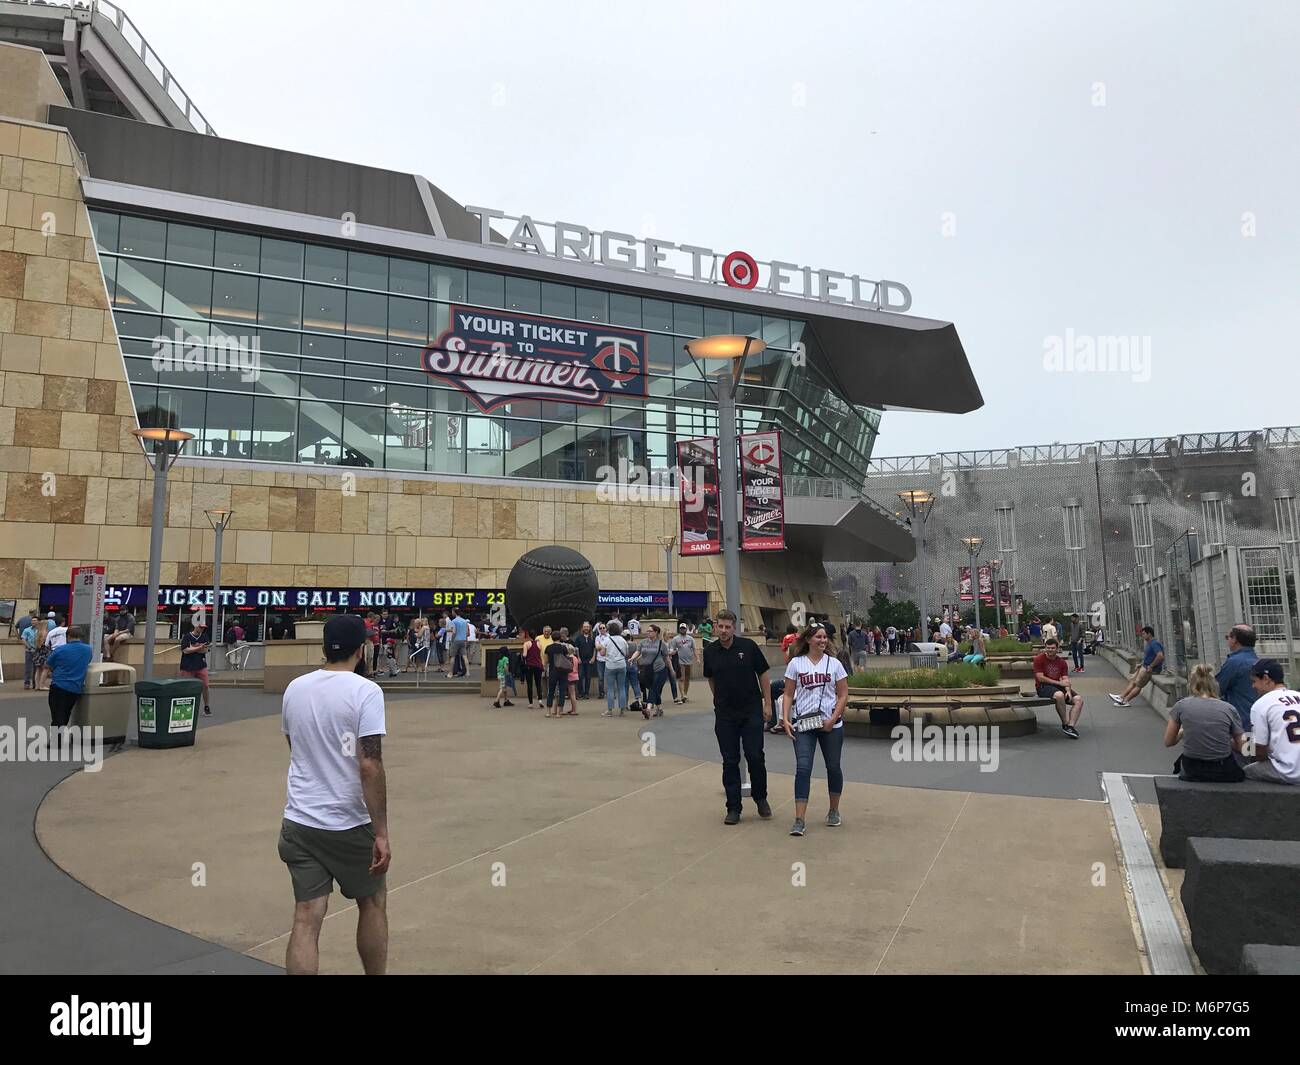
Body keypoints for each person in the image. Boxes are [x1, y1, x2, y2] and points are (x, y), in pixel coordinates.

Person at [278, 614, 389, 975]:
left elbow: (294, 746)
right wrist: (382, 832)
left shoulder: (295, 688)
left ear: (325, 647)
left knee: (306, 917)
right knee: (372, 902)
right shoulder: (365, 691)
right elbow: (369, 764)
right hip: (347, 822)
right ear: (362, 648)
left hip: (299, 819)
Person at [702, 609, 773, 825]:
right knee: (730, 760)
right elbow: (711, 678)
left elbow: (763, 674)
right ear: (715, 627)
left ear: (734, 628)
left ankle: (760, 798)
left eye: (727, 627)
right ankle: (733, 808)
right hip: (725, 715)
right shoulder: (710, 651)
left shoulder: (748, 647)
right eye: (720, 626)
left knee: (754, 756)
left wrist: (767, 703)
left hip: (750, 710)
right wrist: (718, 700)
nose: (723, 631)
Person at [781, 623, 849, 836]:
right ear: (808, 640)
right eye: (818, 637)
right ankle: (799, 819)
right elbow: (789, 694)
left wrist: (833, 718)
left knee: (833, 767)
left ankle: (834, 810)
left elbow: (843, 694)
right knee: (803, 768)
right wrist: (785, 718)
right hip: (804, 724)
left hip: (830, 724)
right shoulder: (796, 664)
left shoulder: (835, 664)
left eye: (824, 637)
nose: (822, 640)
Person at [1164, 664, 1246, 782]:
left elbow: (1168, 742)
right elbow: (1244, 748)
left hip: (1192, 768)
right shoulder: (1229, 709)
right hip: (1222, 768)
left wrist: (1182, 732)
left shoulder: (1181, 706)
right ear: (1214, 684)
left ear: (1191, 684)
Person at [1245, 660, 1300, 785]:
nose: (1253, 686)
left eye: (1254, 681)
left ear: (1266, 678)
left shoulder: (1261, 704)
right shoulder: (1298, 695)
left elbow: (1259, 750)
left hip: (1289, 771)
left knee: (1246, 771)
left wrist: (1238, 744)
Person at [1033, 637, 1084, 738]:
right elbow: (1040, 678)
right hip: (1043, 687)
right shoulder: (1039, 659)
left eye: (1052, 648)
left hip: (1057, 686)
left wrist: (1068, 691)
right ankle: (1065, 724)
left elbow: (1065, 680)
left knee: (1078, 699)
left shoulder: (1061, 662)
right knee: (1059, 695)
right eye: (1048, 648)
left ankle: (1071, 726)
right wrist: (1059, 683)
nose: (1050, 650)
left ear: (1057, 649)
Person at [46, 625, 93, 732]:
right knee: (65, 712)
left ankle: (56, 738)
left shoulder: (60, 650)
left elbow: (48, 665)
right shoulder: (88, 650)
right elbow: (87, 662)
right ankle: (59, 735)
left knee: (56, 713)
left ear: (68, 636)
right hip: (75, 687)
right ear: (80, 636)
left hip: (58, 685)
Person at [1215, 624, 1260, 731]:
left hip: (1242, 722)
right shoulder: (1258, 661)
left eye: (1227, 637)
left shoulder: (1234, 663)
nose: (1227, 640)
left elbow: (1216, 689)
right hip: (1258, 720)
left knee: (1245, 747)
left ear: (1234, 639)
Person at [1110, 625, 1164, 707]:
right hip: (1144, 667)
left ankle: (1125, 701)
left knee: (1138, 685)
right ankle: (1121, 697)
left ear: (1149, 634)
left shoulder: (1154, 643)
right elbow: (1149, 657)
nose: (1142, 636)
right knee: (1133, 682)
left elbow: (1160, 656)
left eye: (1144, 634)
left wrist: (1151, 666)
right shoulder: (1149, 644)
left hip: (1149, 669)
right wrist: (1141, 664)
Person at [637, 624, 673, 719]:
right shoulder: (643, 642)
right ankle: (659, 709)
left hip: (660, 670)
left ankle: (648, 709)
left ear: (656, 632)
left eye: (650, 631)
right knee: (655, 690)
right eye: (647, 631)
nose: (648, 633)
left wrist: (672, 670)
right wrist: (633, 658)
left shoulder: (662, 644)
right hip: (648, 670)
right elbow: (639, 652)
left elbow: (667, 658)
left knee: (653, 688)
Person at [181, 616, 213, 718]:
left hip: (201, 665)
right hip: (187, 666)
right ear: (195, 626)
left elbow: (206, 650)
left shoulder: (205, 636)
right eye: (200, 627)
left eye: (203, 627)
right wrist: (199, 647)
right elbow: (185, 650)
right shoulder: (187, 637)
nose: (202, 629)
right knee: (186, 687)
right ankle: (185, 707)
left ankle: (206, 707)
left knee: (206, 686)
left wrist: (193, 648)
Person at [602, 620, 633, 717]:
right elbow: (627, 653)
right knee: (621, 688)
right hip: (621, 665)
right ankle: (622, 710)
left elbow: (602, 653)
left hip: (610, 665)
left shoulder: (607, 640)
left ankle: (610, 710)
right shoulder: (623, 640)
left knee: (611, 688)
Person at [544, 627, 577, 718]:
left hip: (552, 671)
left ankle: (548, 712)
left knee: (551, 691)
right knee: (562, 691)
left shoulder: (548, 648)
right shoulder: (563, 647)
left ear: (552, 637)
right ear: (560, 638)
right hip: (562, 671)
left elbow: (546, 660)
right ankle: (559, 712)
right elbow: (567, 657)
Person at [520, 628, 545, 708]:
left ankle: (530, 703)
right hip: (538, 665)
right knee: (538, 683)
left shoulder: (526, 644)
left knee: (529, 684)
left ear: (529, 635)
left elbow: (524, 655)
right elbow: (540, 654)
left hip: (529, 665)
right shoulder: (539, 644)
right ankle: (540, 700)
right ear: (536, 635)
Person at [670, 623, 695, 700]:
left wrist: (697, 658)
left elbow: (694, 649)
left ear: (686, 629)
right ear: (679, 629)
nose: (682, 630)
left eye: (684, 628)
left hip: (689, 661)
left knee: (687, 678)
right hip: (680, 661)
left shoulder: (690, 638)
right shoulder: (675, 639)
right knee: (681, 678)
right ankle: (682, 694)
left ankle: (685, 693)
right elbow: (672, 649)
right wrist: (671, 653)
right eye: (681, 628)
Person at [575, 622, 596, 699]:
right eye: (585, 627)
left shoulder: (592, 638)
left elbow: (594, 648)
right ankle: (581, 693)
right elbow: (576, 648)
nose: (586, 628)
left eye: (587, 627)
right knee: (580, 676)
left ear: (589, 628)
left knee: (588, 677)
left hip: (589, 660)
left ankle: (586, 693)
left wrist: (593, 657)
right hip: (581, 660)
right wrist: (578, 658)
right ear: (582, 628)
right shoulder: (578, 638)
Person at [447, 608, 469, 679]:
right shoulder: (465, 621)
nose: (452, 613)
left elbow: (454, 632)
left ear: (454, 612)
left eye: (452, 612)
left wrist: (452, 640)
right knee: (464, 656)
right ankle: (468, 672)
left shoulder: (454, 621)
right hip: (463, 640)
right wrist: (465, 640)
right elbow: (466, 632)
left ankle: (450, 673)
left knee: (452, 657)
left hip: (456, 640)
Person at [593, 621, 609, 699]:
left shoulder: (609, 637)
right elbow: (597, 647)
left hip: (608, 659)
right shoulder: (597, 637)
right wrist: (604, 647)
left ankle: (609, 693)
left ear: (606, 629)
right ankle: (601, 693)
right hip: (599, 660)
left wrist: (601, 647)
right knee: (600, 677)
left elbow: (609, 647)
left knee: (609, 677)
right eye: (600, 628)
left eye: (603, 628)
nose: (602, 629)